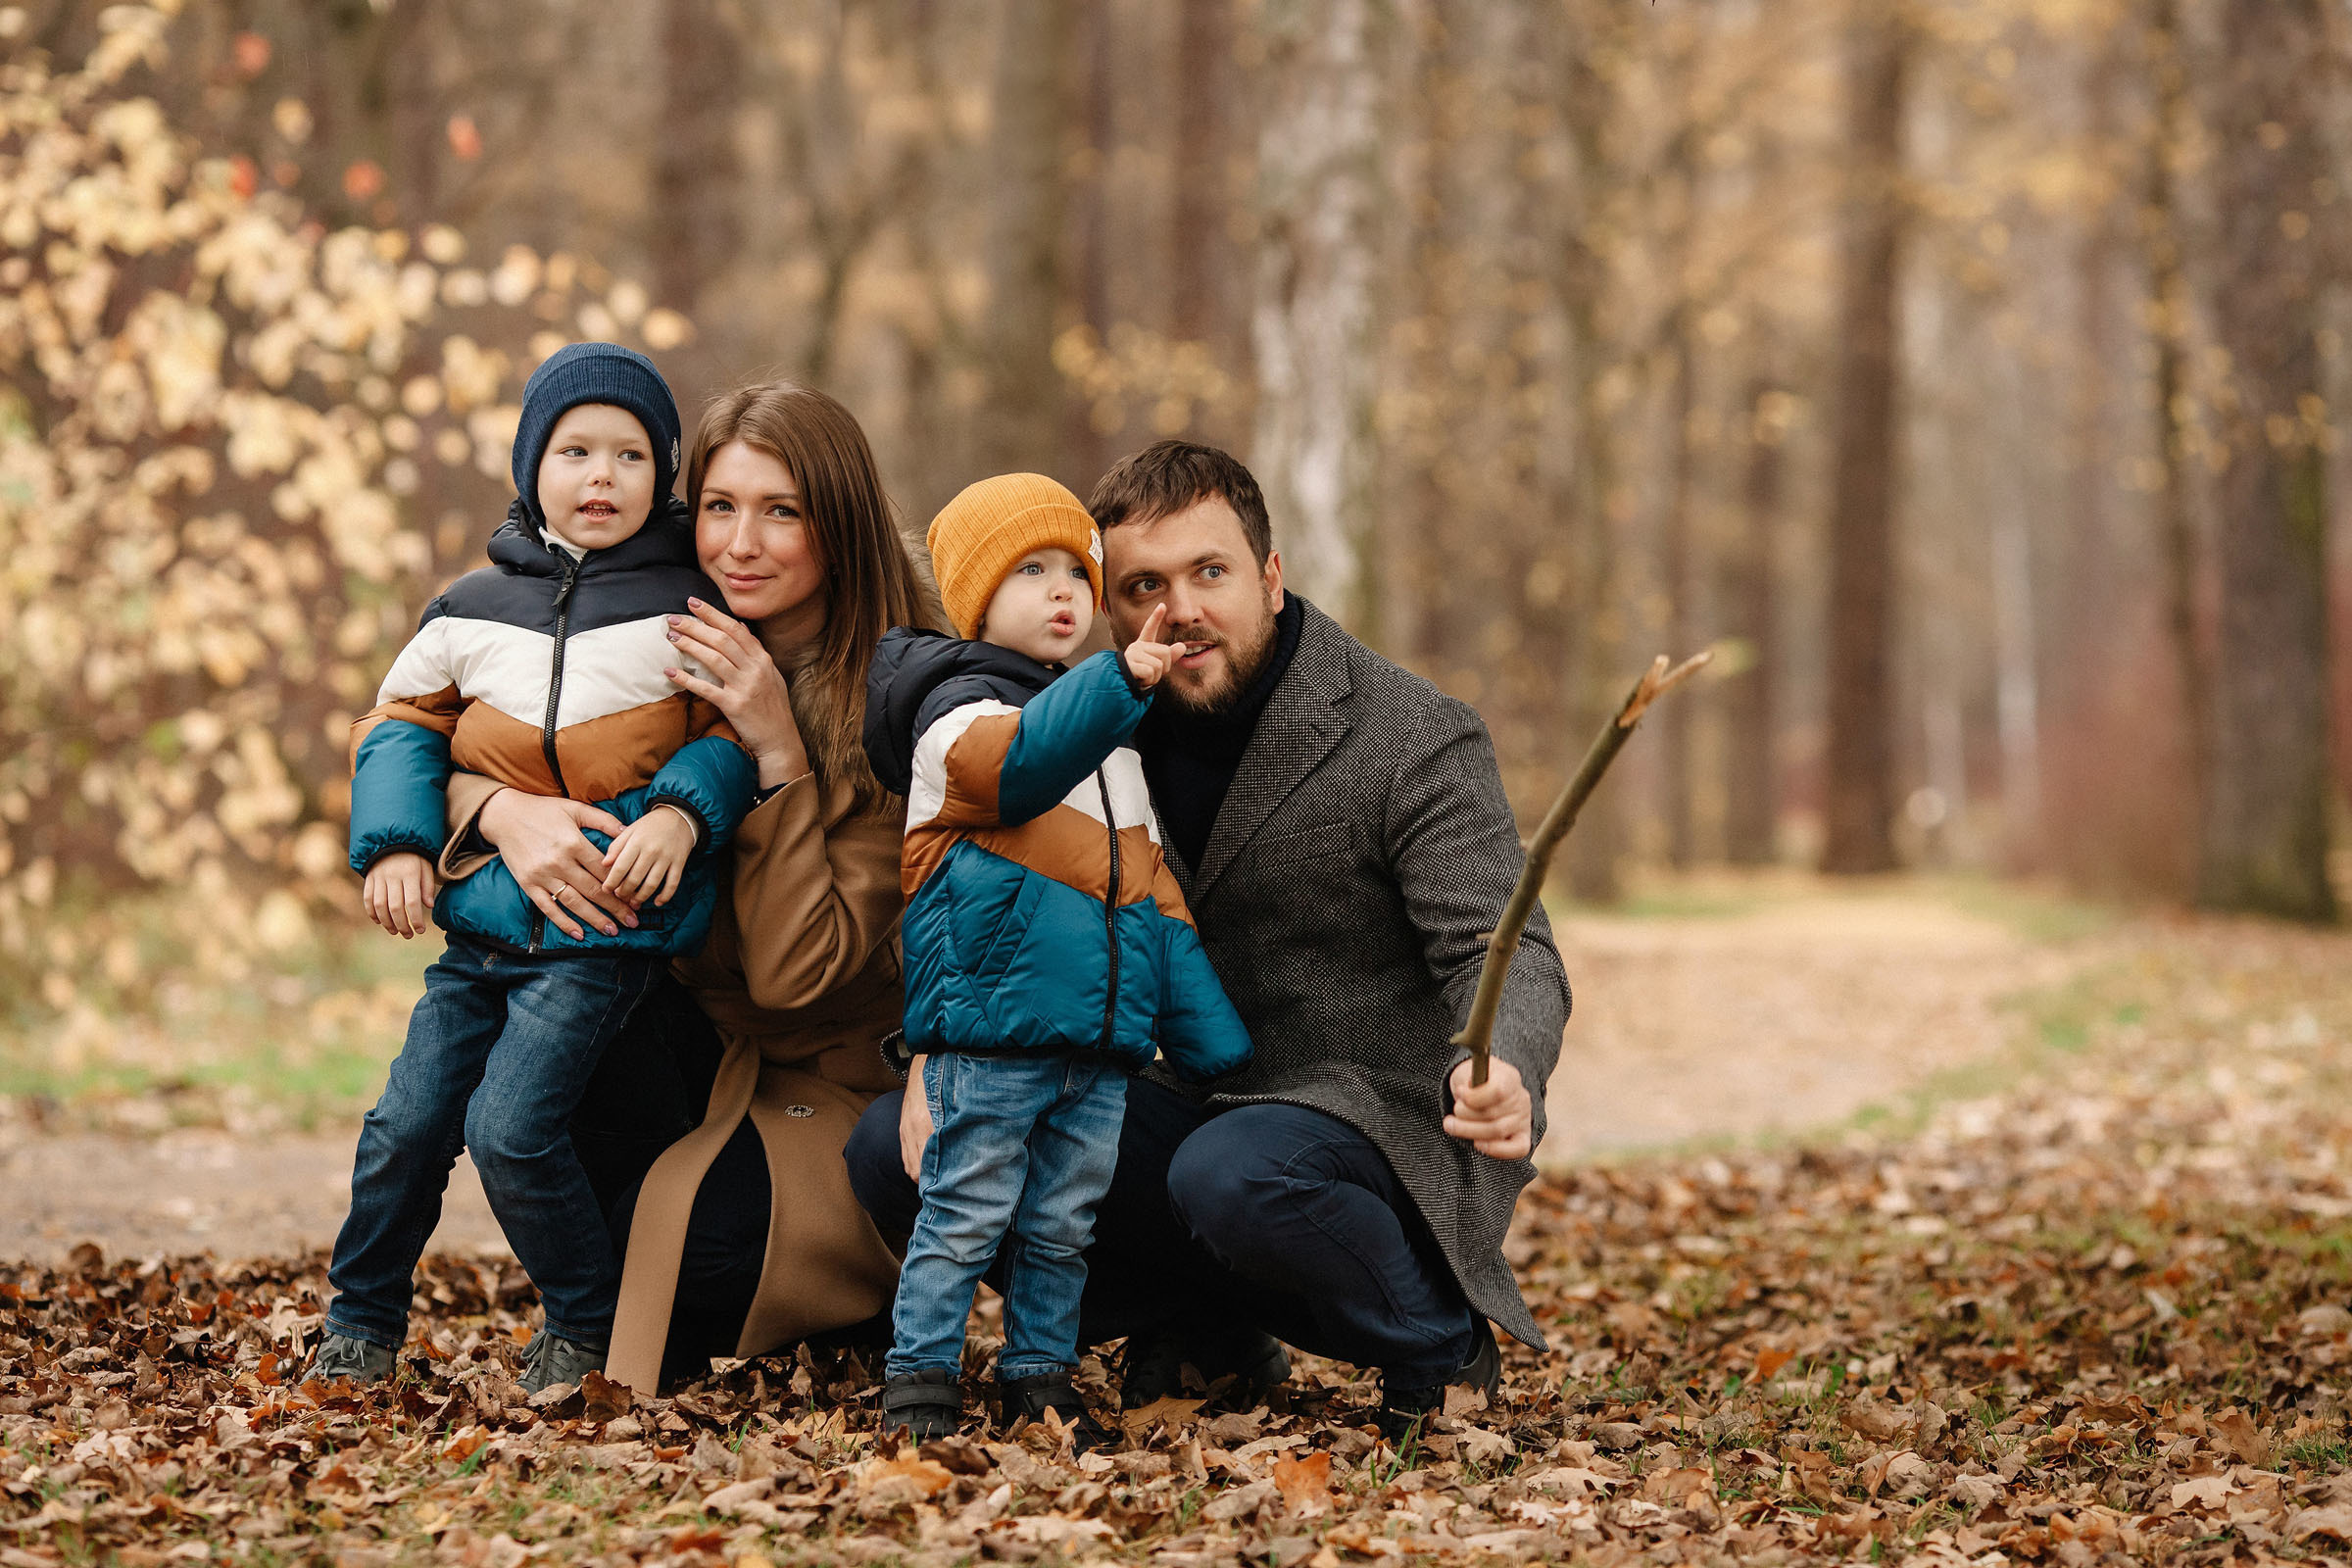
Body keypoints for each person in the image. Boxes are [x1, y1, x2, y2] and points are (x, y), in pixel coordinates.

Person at [847, 439, 1570, 1438]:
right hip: (1189, 1099)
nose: (1178, 608)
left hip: (1371, 1125)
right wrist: (938, 1049)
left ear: (1271, 578)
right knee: (896, 1149)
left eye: (1210, 573)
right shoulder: (1091, 721)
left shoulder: (1409, 731)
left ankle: (1438, 1341)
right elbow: (973, 897)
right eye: (1144, 583)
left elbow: (1506, 944)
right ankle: (1196, 1320)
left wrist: (1507, 1062)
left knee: (1234, 1169)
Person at [436, 380, 933, 1394]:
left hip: (837, 1087)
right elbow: (423, 729)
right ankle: (605, 1290)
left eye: (780, 511)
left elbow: (802, 978)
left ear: (836, 525)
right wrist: (496, 810)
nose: (740, 543)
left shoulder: (906, 693)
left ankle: (859, 1288)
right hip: (687, 1050)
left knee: (694, 1262)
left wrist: (777, 750)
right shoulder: (649, 638)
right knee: (527, 1020)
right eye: (720, 506)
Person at [317, 343, 756, 1395]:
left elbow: (728, 736)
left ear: (663, 478)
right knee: (404, 1126)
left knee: (510, 1130)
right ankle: (359, 1322)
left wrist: (683, 819)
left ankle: (588, 1325)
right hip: (479, 932)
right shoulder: (470, 606)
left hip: (600, 936)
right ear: (531, 464)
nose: (601, 477)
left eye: (630, 456)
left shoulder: (684, 608)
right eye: (574, 451)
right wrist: (401, 844)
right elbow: (399, 725)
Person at [861, 474, 1252, 1445]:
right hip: (994, 1035)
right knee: (965, 1208)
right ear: (974, 596)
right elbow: (1021, 765)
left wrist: (1216, 1047)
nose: (1063, 592)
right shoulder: (954, 714)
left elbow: (1153, 899)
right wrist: (1120, 683)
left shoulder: (1111, 735)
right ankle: (919, 1379)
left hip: (1096, 1045)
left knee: (1063, 1224)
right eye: (1030, 571)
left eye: (1076, 571)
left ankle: (1040, 1374)